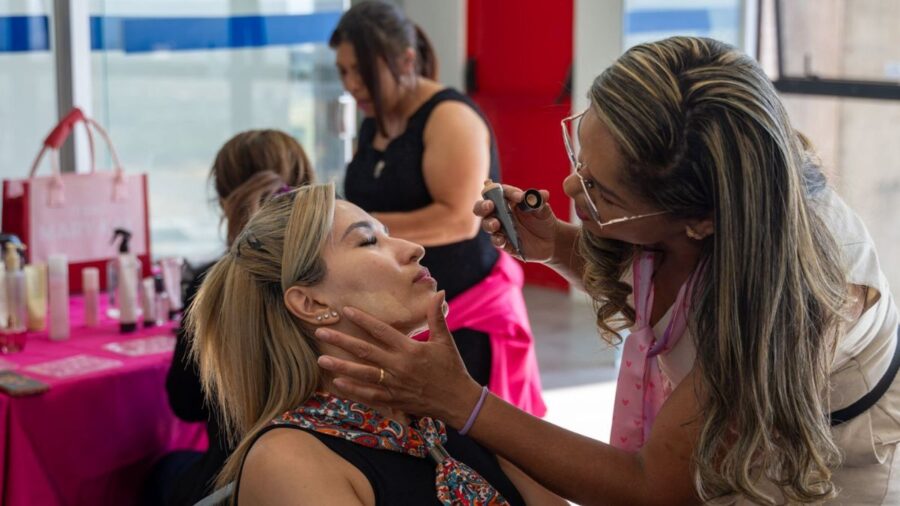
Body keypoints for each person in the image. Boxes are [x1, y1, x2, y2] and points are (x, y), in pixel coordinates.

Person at [312, 37, 900, 505]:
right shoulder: (710, 207)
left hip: (817, 469)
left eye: (601, 192)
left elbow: (651, 488)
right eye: (579, 156)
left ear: (698, 222)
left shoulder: (794, 299)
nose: (569, 186)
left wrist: (461, 400)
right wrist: (562, 246)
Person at [186, 183, 566, 505]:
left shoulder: (448, 408)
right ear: (312, 302)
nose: (413, 248)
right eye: (369, 241)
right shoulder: (290, 461)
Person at [331, 1, 545, 416]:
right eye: (344, 72)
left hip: (463, 313)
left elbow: (457, 219)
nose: (353, 85)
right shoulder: (375, 118)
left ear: (407, 60)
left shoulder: (449, 118)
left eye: (363, 72)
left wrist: (358, 232)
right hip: (406, 310)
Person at [162, 129, 314, 505]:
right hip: (333, 467)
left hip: (236, 482)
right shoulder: (337, 279)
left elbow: (186, 403)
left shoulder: (211, 286)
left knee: (162, 471)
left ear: (224, 198)